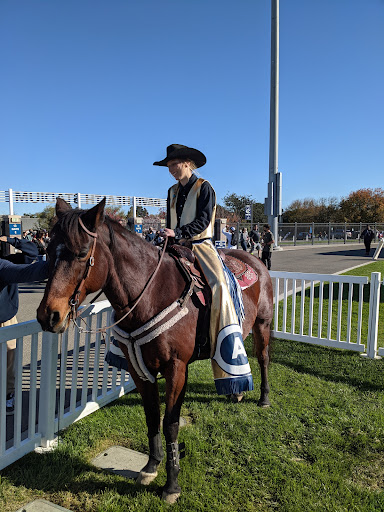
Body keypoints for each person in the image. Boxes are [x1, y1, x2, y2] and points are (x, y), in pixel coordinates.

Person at [154, 144, 253, 396]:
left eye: (173, 165)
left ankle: (230, 350)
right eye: (168, 166)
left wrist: (178, 232)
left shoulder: (204, 187)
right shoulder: (172, 191)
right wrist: (169, 235)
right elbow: (170, 221)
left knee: (220, 286)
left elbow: (203, 220)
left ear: (187, 163)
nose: (170, 170)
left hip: (201, 246)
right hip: (175, 244)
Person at [0, 235, 49, 414]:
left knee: (8, 363)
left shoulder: (6, 263)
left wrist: (12, 240)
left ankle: (8, 395)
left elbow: (32, 253)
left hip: (5, 321)